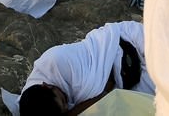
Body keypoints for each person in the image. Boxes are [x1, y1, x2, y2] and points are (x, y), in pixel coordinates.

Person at [17, 21, 154, 115]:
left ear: (46, 85)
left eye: (64, 100)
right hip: (127, 81)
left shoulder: (57, 61)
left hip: (125, 41)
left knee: (168, 56)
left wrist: (100, 94)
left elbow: (103, 88)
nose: (68, 106)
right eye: (64, 110)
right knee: (158, 101)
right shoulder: (33, 107)